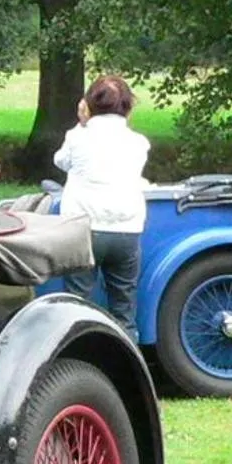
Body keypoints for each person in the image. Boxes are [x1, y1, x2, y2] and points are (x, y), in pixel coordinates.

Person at [55, 72, 151, 337]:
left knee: (78, 303)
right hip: (127, 230)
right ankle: (127, 363)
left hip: (84, 228)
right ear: (128, 107)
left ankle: (80, 359)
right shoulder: (139, 143)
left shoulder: (77, 138)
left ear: (88, 106)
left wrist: (80, 123)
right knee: (124, 306)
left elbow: (60, 161)